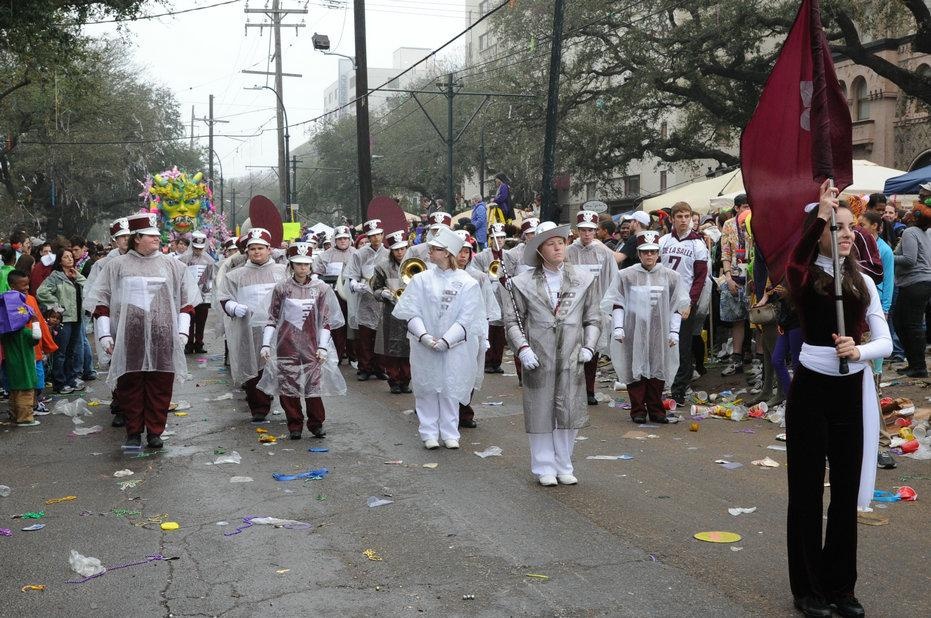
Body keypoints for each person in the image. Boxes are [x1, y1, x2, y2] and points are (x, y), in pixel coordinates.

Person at [784, 181, 890, 618]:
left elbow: (884, 340)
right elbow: (796, 259)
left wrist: (858, 350)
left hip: (851, 392)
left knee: (844, 494)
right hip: (811, 388)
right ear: (822, 230)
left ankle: (841, 586)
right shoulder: (806, 276)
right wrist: (821, 214)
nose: (846, 234)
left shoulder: (862, 279)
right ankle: (807, 590)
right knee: (807, 492)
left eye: (850, 227)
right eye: (837, 227)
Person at [501, 222, 601, 486]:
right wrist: (522, 349)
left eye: (561, 242)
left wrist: (589, 346)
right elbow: (513, 321)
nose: (558, 247)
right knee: (540, 410)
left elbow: (593, 317)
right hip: (539, 355)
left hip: (571, 354)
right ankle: (544, 466)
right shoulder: (520, 283)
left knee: (568, 410)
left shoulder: (582, 279)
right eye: (551, 243)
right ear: (540, 250)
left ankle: (564, 463)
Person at [92, 213, 195, 449]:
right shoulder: (116, 266)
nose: (157, 239)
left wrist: (183, 331)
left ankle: (155, 431)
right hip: (129, 335)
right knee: (130, 384)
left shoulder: (172, 265)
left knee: (160, 384)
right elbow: (101, 302)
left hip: (163, 334)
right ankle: (133, 431)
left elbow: (186, 302)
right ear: (136, 238)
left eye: (158, 235)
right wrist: (105, 333)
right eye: (151, 236)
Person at [393, 228, 485, 450]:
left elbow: (469, 316)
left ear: (446, 253)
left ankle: (450, 431)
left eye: (434, 249)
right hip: (425, 344)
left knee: (450, 386)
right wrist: (423, 336)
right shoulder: (421, 280)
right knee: (426, 386)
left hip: (455, 347)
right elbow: (410, 310)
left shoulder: (467, 282)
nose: (430, 252)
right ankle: (428, 432)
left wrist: (447, 340)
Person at [257, 242, 345, 440]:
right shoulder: (282, 288)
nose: (302, 268)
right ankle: (294, 424)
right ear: (291, 264)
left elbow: (326, 320)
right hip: (286, 345)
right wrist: (266, 344)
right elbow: (272, 317)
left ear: (311, 265)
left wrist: (323, 347)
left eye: (306, 264)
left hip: (312, 345)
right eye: (298, 264)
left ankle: (316, 424)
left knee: (313, 386)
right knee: (288, 386)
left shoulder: (321, 288)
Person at [604, 231, 689, 424]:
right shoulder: (626, 275)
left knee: (658, 368)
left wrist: (674, 331)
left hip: (660, 332)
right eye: (645, 252)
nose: (649, 255)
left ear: (658, 253)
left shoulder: (671, 277)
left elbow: (678, 304)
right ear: (638, 254)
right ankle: (638, 410)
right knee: (635, 369)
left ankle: (656, 410)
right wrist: (618, 327)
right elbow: (617, 301)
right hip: (633, 330)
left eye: (652, 251)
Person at [218, 228, 287, 422]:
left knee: (278, 366)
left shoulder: (282, 273)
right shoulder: (236, 275)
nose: (257, 252)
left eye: (260, 248)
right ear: (247, 251)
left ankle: (288, 406)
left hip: (277, 329)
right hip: (247, 328)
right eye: (253, 248)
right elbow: (224, 297)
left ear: (269, 250)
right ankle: (258, 406)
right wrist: (233, 307)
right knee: (252, 368)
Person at [566, 210, 618, 405]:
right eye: (583, 230)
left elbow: (613, 280)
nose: (586, 234)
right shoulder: (569, 252)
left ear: (596, 231)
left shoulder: (604, 252)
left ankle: (589, 389)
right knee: (572, 348)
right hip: (573, 307)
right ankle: (572, 389)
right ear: (578, 230)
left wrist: (608, 307)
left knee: (592, 349)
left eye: (590, 230)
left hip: (596, 307)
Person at [658, 202, 708, 405]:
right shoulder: (662, 241)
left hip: (684, 300)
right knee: (662, 343)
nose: (683, 220)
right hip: (663, 299)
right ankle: (662, 383)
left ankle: (679, 388)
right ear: (672, 218)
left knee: (682, 345)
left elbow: (700, 276)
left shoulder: (697, 244)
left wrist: (691, 302)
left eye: (687, 216)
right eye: (679, 216)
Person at [456, 230, 499, 428]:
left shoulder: (479, 277)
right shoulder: (438, 275)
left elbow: (487, 306)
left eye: (467, 251)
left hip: (472, 331)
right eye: (459, 250)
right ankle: (447, 412)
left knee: (470, 371)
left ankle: (464, 411)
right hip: (447, 332)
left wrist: (484, 333)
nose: (463, 255)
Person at [37, 247, 86, 394]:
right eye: (66, 257)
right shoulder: (56, 276)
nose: (70, 259)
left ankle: (70, 379)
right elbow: (41, 292)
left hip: (77, 317)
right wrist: (57, 306)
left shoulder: (75, 275)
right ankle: (59, 382)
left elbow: (89, 286)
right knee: (61, 352)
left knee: (71, 351)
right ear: (60, 260)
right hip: (64, 319)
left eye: (71, 256)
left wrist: (77, 276)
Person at [343, 219, 388, 381]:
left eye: (378, 235)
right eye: (372, 236)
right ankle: (365, 367)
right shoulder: (359, 253)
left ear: (383, 235)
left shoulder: (389, 254)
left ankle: (380, 367)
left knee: (381, 335)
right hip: (365, 297)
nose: (375, 239)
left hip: (383, 298)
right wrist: (355, 284)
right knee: (365, 336)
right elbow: (352, 274)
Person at [891, 198, 931, 377]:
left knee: (911, 325)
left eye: (911, 211)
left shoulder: (910, 232)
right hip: (920, 283)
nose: (906, 212)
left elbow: (909, 260)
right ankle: (914, 363)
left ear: (914, 218)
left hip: (914, 283)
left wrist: (888, 257)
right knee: (902, 323)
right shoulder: (925, 232)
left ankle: (919, 366)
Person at [370, 231, 412, 395]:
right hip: (391, 312)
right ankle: (394, 380)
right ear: (391, 251)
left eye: (403, 249)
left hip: (411, 312)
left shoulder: (415, 264)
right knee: (392, 348)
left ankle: (406, 380)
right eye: (396, 250)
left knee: (409, 348)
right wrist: (383, 294)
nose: (400, 253)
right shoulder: (382, 267)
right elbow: (375, 289)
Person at [2, 272, 43, 426]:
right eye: (24, 285)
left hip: (12, 368)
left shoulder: (5, 333)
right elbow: (36, 337)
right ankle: (25, 418)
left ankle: (14, 415)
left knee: (14, 393)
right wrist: (35, 321)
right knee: (25, 393)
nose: (27, 287)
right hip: (25, 368)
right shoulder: (25, 333)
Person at [313, 225, 357, 364]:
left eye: (345, 238)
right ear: (334, 240)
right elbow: (316, 273)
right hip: (333, 295)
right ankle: (336, 356)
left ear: (349, 239)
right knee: (336, 326)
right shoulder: (325, 255)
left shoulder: (357, 253)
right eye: (339, 239)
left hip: (354, 295)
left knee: (354, 326)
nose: (343, 241)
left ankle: (353, 356)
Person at [719, 194, 752, 375]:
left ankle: (759, 362)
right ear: (737, 208)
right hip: (735, 275)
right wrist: (728, 277)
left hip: (753, 276)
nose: (747, 210)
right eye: (744, 206)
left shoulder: (756, 221)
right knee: (737, 320)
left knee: (757, 320)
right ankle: (736, 360)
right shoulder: (729, 225)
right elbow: (725, 253)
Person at [473, 223, 508, 373]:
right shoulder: (482, 256)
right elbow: (475, 273)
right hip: (487, 293)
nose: (499, 241)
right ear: (490, 239)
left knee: (500, 331)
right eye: (496, 238)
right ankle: (487, 361)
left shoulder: (508, 255)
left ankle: (497, 362)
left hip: (502, 294)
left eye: (502, 238)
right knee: (489, 328)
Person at [178, 231, 216, 354]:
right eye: (195, 248)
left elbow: (210, 279)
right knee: (189, 320)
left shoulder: (209, 260)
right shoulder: (183, 259)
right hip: (188, 296)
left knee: (201, 322)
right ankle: (188, 344)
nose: (198, 250)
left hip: (203, 297)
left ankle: (199, 343)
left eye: (200, 248)